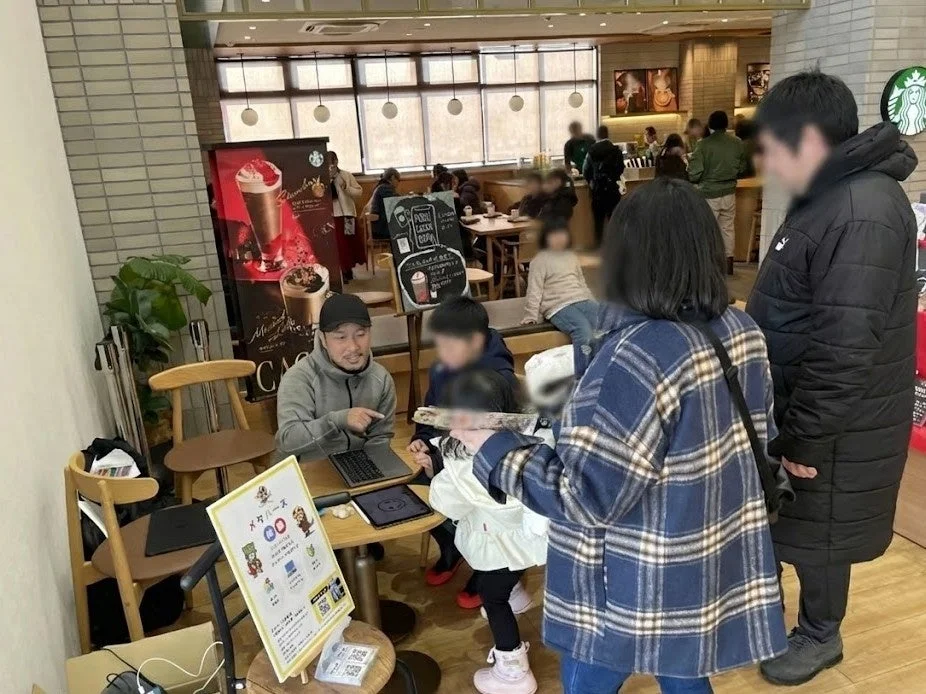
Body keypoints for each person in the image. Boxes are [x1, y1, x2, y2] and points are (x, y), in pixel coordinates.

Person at [453, 178, 788, 694]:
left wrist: (493, 449)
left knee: (590, 678)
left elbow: (584, 495)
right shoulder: (741, 331)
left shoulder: (637, 354)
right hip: (703, 556)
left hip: (630, 577)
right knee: (684, 672)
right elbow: (760, 436)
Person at [746, 70, 918, 687]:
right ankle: (778, 620)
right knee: (799, 524)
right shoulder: (834, 195)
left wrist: (805, 439)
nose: (767, 162)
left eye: (773, 147)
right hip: (806, 406)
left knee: (818, 531)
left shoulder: (860, 209)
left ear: (810, 140)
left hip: (836, 424)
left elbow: (845, 346)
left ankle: (821, 635)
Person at [430, 369, 549, 694]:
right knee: (510, 572)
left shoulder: (467, 467)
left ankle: (513, 670)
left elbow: (449, 504)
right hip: (527, 541)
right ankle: (516, 594)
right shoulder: (531, 442)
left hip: (498, 543)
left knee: (491, 595)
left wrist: (437, 472)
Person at [407, 296, 519, 602]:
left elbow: (499, 443)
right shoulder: (443, 367)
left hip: (485, 466)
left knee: (454, 492)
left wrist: (440, 461)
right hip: (448, 450)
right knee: (413, 489)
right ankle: (452, 547)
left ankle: (486, 567)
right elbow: (431, 412)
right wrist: (422, 438)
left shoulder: (499, 378)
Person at [275, 294, 396, 459]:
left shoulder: (381, 378)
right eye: (341, 337)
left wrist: (380, 468)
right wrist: (337, 420)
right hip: (309, 467)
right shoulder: (299, 378)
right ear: (323, 339)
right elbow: (288, 441)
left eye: (361, 334)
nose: (353, 347)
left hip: (358, 465)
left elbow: (381, 437)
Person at [521, 217, 597, 347]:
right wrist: (531, 316)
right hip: (558, 306)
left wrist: (593, 303)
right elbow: (534, 290)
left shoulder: (572, 256)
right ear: (545, 237)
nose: (559, 238)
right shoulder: (539, 261)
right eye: (554, 234)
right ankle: (585, 361)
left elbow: (582, 283)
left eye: (562, 234)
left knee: (608, 322)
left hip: (581, 300)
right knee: (583, 331)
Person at [688, 110, 746, 275]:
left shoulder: (703, 145)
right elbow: (742, 168)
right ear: (726, 124)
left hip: (709, 193)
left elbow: (694, 173)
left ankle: (707, 265)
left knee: (707, 229)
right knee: (727, 228)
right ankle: (728, 264)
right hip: (729, 191)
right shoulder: (737, 143)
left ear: (710, 125)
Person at [582, 125, 625, 246]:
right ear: (607, 134)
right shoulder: (616, 150)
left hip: (598, 190)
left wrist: (590, 180)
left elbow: (585, 169)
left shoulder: (592, 151)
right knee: (614, 219)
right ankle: (615, 246)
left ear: (597, 135)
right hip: (613, 189)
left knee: (598, 220)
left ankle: (599, 245)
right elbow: (621, 168)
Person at [329, 152, 364, 283]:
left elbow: (359, 192)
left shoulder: (346, 175)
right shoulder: (323, 177)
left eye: (332, 163)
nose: (330, 166)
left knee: (350, 242)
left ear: (336, 161)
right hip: (335, 216)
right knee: (340, 245)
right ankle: (343, 271)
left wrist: (346, 188)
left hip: (348, 215)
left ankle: (349, 269)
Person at [370, 168, 400, 240]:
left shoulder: (381, 187)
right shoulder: (385, 188)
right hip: (382, 229)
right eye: (398, 180)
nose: (398, 183)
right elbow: (397, 202)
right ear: (393, 177)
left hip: (379, 227)